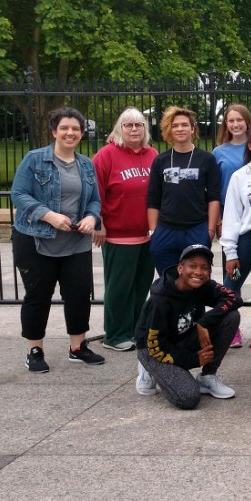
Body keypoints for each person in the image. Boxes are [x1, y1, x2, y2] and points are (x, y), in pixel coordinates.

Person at [11, 106, 105, 372]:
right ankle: (35, 350)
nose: (70, 133)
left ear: (82, 133)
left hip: (75, 242)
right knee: (38, 295)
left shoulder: (86, 164)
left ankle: (78, 347)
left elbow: (95, 200)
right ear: (54, 131)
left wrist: (91, 218)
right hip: (37, 239)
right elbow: (18, 194)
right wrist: (48, 215)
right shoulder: (35, 159)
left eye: (75, 128)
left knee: (79, 295)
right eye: (64, 128)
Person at [134, 244, 241, 409]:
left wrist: (204, 322)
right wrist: (194, 360)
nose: (198, 272)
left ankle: (207, 377)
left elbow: (234, 298)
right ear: (180, 269)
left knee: (231, 316)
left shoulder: (203, 285)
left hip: (183, 336)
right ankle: (148, 368)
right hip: (154, 348)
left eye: (204, 267)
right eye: (192, 266)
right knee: (188, 398)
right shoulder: (160, 300)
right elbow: (156, 347)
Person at [92, 107, 158, 352]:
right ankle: (115, 335)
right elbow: (94, 192)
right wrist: (98, 223)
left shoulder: (152, 154)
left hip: (148, 235)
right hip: (118, 235)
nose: (134, 129)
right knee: (119, 287)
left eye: (139, 125)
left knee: (141, 287)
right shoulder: (106, 155)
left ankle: (133, 330)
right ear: (119, 129)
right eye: (128, 125)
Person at [213, 104, 251, 348]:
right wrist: (230, 250)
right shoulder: (238, 173)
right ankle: (230, 326)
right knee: (232, 280)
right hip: (246, 239)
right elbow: (230, 211)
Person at [147, 106, 221, 275]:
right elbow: (153, 199)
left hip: (196, 228)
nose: (180, 129)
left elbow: (214, 197)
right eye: (175, 125)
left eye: (184, 125)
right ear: (169, 130)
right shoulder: (160, 160)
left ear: (192, 129)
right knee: (168, 280)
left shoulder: (206, 159)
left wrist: (210, 231)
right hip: (166, 229)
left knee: (196, 278)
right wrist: (153, 232)